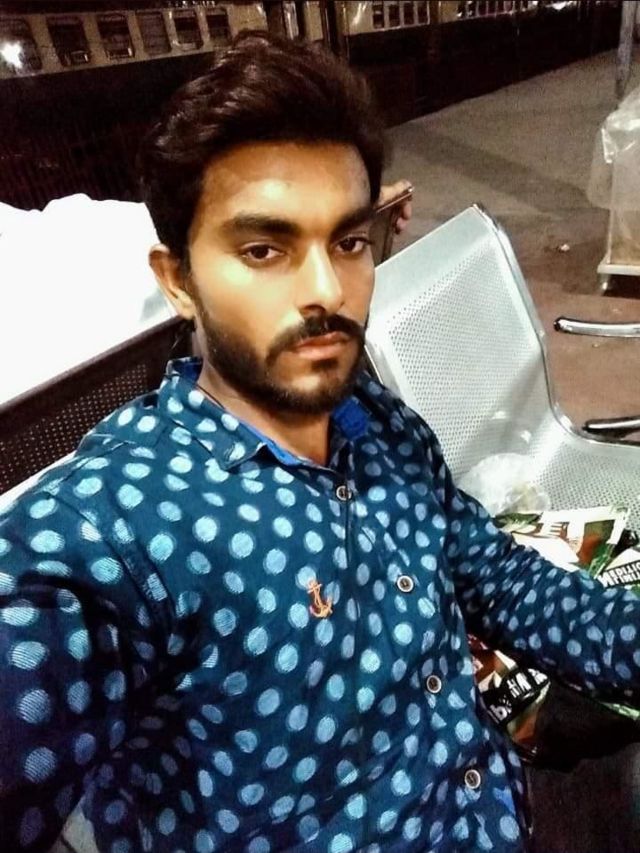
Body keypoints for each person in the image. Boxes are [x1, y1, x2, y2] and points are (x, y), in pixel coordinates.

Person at [1, 31, 639, 853]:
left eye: (348, 241)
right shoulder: (117, 528)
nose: (328, 290)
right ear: (179, 280)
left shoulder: (378, 422)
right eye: (264, 249)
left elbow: (498, 577)